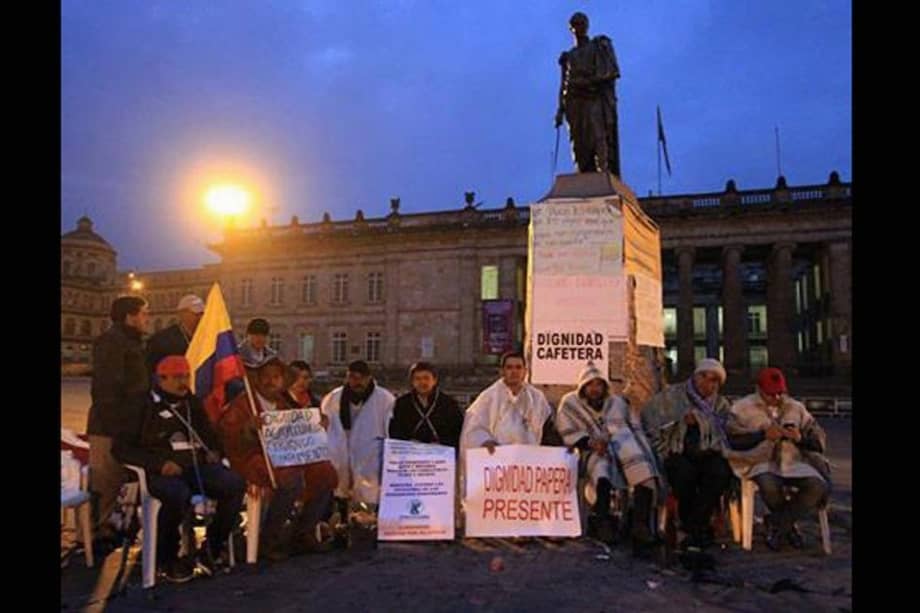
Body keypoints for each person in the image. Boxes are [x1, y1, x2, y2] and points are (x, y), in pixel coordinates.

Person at [112, 356, 245, 581]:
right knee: (177, 495)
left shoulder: (191, 403)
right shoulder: (142, 405)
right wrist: (159, 464)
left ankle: (211, 547)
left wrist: (214, 450)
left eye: (186, 376)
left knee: (234, 484)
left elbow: (208, 435)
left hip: (195, 467)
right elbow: (121, 449)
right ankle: (166, 557)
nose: (183, 382)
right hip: (160, 471)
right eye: (177, 377)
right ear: (160, 379)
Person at [216, 354, 336, 561]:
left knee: (325, 472)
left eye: (276, 376)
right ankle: (268, 539)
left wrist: (318, 425)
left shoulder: (284, 404)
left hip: (284, 456)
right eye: (266, 376)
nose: (271, 381)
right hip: (250, 459)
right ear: (257, 379)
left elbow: (301, 431)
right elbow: (226, 436)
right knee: (291, 479)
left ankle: (303, 532)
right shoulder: (244, 404)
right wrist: (247, 429)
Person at [557, 363, 661, 551]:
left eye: (599, 384)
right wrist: (591, 442)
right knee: (601, 469)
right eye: (590, 385)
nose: (594, 389)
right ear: (583, 387)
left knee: (642, 468)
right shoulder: (570, 403)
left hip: (620, 447)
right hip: (590, 450)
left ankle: (640, 524)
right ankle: (602, 521)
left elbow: (632, 426)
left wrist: (618, 440)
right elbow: (568, 432)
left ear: (605, 387)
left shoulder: (617, 402)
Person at [725, 367, 831, 550]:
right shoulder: (741, 408)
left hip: (794, 462)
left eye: (780, 393)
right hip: (758, 462)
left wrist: (799, 438)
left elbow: (819, 441)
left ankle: (777, 524)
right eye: (770, 394)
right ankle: (787, 528)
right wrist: (762, 435)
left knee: (817, 486)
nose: (776, 398)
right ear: (759, 389)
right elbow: (732, 441)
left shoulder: (796, 408)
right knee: (769, 484)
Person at [640, 358, 733, 550]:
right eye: (704, 377)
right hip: (676, 450)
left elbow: (726, 432)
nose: (708, 383)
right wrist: (680, 423)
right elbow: (652, 422)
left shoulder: (720, 405)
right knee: (683, 475)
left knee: (720, 473)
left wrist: (704, 425)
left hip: (707, 452)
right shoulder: (672, 397)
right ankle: (695, 527)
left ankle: (694, 525)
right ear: (696, 377)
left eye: (714, 380)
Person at [86, 295, 150, 543]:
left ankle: (111, 526)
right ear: (130, 316)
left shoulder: (131, 342)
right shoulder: (111, 342)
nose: (147, 318)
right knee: (104, 480)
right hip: (109, 426)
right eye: (144, 313)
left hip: (127, 424)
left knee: (116, 480)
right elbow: (106, 389)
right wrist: (117, 428)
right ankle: (95, 534)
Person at [554, 11, 621, 175]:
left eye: (581, 24)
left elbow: (611, 71)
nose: (579, 28)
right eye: (575, 25)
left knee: (598, 134)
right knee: (578, 141)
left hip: (594, 96)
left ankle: (603, 171)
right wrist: (560, 110)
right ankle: (582, 173)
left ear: (587, 26)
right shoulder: (569, 56)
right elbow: (564, 85)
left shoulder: (597, 46)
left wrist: (591, 82)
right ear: (571, 29)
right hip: (574, 101)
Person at [322, 360, 395, 507]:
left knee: (369, 493)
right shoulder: (334, 397)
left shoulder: (384, 398)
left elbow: (391, 428)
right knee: (339, 489)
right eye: (353, 378)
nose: (357, 382)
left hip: (371, 451)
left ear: (369, 378)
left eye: (361, 378)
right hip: (341, 450)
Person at [459, 351, 556, 454]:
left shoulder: (537, 398)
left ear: (525, 371)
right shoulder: (488, 398)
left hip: (528, 460)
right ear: (502, 371)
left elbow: (548, 431)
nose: (514, 372)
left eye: (518, 367)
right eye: (509, 367)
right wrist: (485, 441)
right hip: (498, 461)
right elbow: (473, 429)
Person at [389, 361, 465, 449]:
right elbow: (395, 431)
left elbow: (456, 431)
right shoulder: (402, 403)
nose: (422, 382)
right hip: (410, 453)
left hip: (440, 455)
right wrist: (408, 442)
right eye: (417, 379)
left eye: (426, 378)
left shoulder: (449, 404)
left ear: (434, 380)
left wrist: (441, 443)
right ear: (412, 381)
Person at [145, 294, 204, 377]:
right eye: (196, 314)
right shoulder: (161, 340)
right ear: (182, 314)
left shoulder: (207, 337)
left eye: (202, 314)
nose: (200, 317)